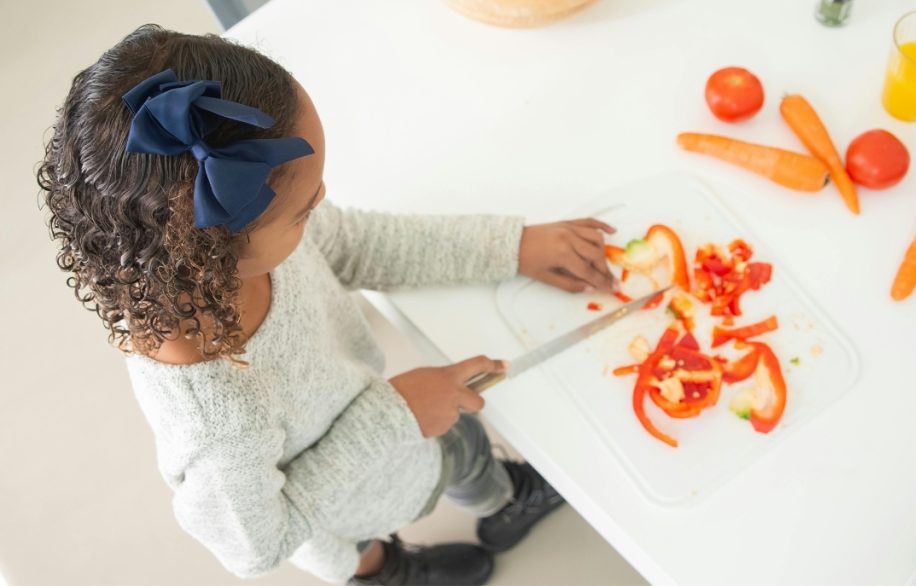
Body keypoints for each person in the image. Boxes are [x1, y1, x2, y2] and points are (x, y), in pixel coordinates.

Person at [37, 25, 618, 585]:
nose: (323, 203)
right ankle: (448, 536)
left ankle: (397, 555)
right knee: (420, 487)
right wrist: (395, 415)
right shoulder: (214, 420)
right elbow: (256, 545)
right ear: (212, 249)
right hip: (355, 486)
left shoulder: (231, 245)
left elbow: (357, 244)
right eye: (307, 208)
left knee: (358, 543)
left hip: (366, 436)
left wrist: (511, 246)